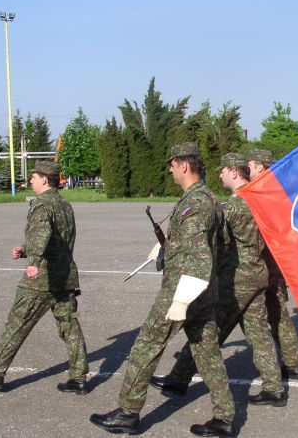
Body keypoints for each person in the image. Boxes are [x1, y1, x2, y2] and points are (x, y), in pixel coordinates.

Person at [90, 143, 235, 438]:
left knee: (146, 346)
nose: (169, 170)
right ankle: (225, 417)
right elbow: (218, 245)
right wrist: (167, 249)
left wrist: (180, 300)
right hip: (203, 291)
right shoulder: (208, 198)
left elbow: (199, 258)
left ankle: (127, 412)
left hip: (183, 291)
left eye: (172, 164)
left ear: (184, 165)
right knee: (207, 352)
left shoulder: (195, 204)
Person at [151, 153, 286, 407]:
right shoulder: (258, 199)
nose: (220, 175)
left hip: (238, 279)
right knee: (258, 333)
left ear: (234, 172)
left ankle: (179, 379)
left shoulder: (233, 206)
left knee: (207, 332)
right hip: (258, 273)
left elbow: (212, 238)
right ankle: (274, 387)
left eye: (223, 170)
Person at [0, 161, 89, 394]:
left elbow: (41, 234)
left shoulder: (41, 204)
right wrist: (25, 250)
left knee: (16, 324)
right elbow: (57, 239)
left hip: (42, 279)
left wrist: (33, 262)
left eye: (33, 176)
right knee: (70, 326)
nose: (30, 180)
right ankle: (78, 377)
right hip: (66, 278)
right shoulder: (64, 204)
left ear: (44, 179)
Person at [246, 148, 298, 379]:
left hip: (263, 261)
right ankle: (293, 362)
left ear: (260, 166)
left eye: (250, 164)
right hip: (276, 260)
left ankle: (275, 370)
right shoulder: (279, 189)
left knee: (256, 315)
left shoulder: (262, 190)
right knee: (278, 312)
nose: (247, 167)